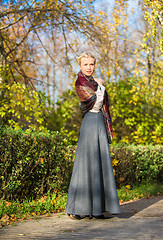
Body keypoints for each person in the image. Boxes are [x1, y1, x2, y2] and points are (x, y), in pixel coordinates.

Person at [65, 52, 121, 220]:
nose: (89, 67)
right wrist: (100, 87)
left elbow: (104, 105)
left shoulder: (96, 82)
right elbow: (94, 101)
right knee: (86, 164)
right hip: (90, 123)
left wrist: (99, 85)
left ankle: (98, 209)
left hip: (99, 123)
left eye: (91, 64)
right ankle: (78, 209)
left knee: (100, 163)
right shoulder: (80, 82)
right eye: (85, 64)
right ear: (80, 66)